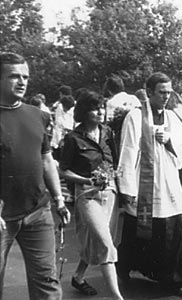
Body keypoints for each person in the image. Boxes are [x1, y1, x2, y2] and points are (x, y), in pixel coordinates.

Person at [116, 72, 182, 297]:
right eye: (161, 92)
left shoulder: (172, 116)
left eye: (169, 92)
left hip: (167, 179)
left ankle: (176, 278)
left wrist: (170, 140)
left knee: (173, 227)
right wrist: (127, 188)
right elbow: (128, 150)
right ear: (150, 92)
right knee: (139, 227)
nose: (166, 96)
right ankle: (124, 269)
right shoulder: (135, 117)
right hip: (144, 181)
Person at [0, 52, 71, 300]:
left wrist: (59, 200)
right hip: (1, 217)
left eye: (25, 77)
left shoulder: (38, 115)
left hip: (37, 212)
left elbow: (46, 159)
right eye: (14, 76)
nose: (22, 82)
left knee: (48, 285)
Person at [58, 91, 123, 299]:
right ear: (85, 113)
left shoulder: (107, 132)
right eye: (96, 108)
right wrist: (87, 181)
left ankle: (78, 277)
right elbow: (63, 170)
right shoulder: (73, 139)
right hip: (87, 195)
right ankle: (117, 297)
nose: (101, 112)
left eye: (102, 107)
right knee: (105, 244)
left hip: (110, 193)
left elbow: (115, 161)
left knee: (96, 239)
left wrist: (116, 180)